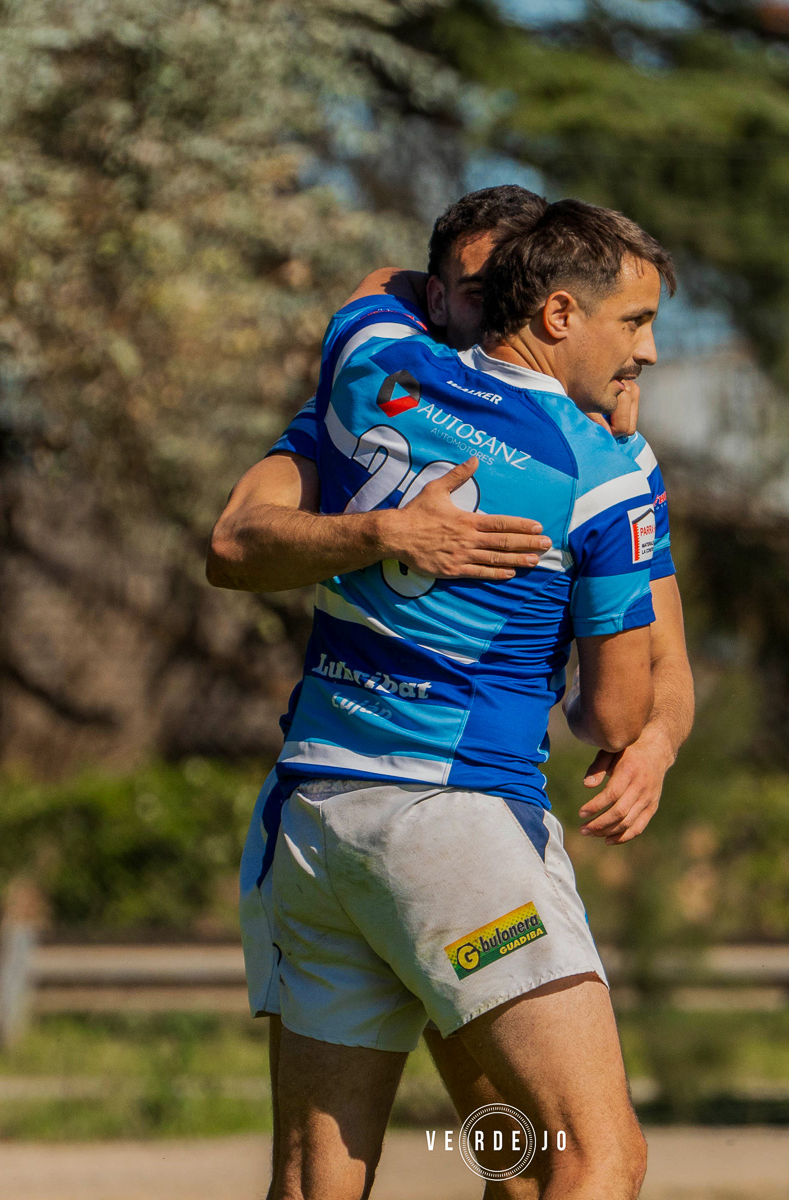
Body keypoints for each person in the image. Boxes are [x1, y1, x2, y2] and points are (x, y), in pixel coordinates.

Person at [211, 187, 693, 1199]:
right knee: (592, 1157)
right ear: (557, 310)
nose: (646, 351)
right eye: (636, 324)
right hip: (455, 824)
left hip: (315, 820)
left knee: (341, 1175)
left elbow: (374, 288)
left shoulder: (371, 362)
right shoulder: (604, 469)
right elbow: (612, 712)